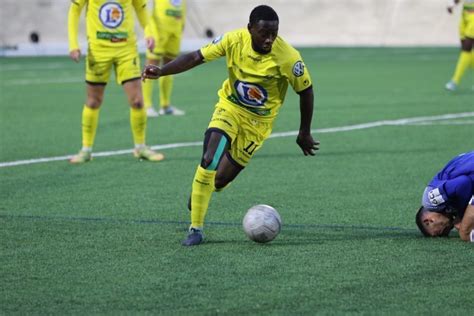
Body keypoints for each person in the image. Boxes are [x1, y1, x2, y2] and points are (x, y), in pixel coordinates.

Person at [142, 5, 320, 246]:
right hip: (230, 107)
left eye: (274, 34)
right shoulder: (233, 40)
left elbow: (306, 91)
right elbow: (196, 56)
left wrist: (304, 132)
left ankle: (200, 191)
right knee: (209, 158)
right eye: (263, 33)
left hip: (258, 123)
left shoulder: (288, 57)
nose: (269, 39)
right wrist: (162, 71)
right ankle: (196, 228)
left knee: (220, 180)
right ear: (250, 29)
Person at [68, 0, 165, 163]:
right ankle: (86, 150)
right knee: (93, 101)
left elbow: (141, 9)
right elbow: (74, 11)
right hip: (98, 51)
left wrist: (149, 33)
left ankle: (140, 147)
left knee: (137, 101)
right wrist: (73, 44)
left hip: (127, 51)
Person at [415, 151, 474, 242]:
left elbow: (463, 183)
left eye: (440, 233)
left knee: (465, 233)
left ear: (429, 221)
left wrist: (462, 216)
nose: (450, 228)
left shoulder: (430, 202)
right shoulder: (450, 204)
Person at [142, 0, 186, 117]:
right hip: (158, 30)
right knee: (151, 65)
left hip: (175, 29)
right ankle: (146, 105)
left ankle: (165, 105)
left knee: (170, 65)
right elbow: (144, 8)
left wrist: (182, 22)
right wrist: (149, 31)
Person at [445, 0, 474, 91]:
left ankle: (455, 80)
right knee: (466, 51)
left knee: (466, 47)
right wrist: (452, 4)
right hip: (465, 13)